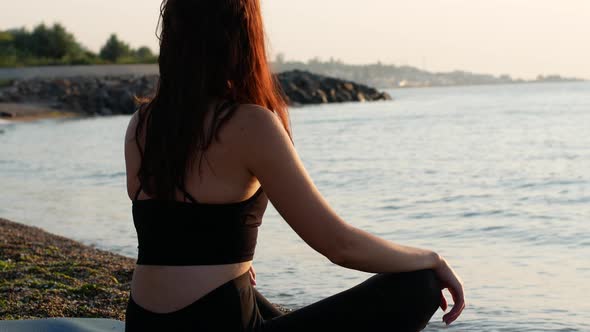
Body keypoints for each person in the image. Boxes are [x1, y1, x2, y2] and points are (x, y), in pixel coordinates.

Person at [124, 0, 465, 331]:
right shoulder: (249, 124)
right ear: (242, 36)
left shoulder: (142, 123)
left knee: (247, 293)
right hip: (218, 322)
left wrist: (232, 263)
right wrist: (431, 258)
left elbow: (172, 232)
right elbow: (339, 246)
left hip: (144, 324)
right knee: (422, 285)